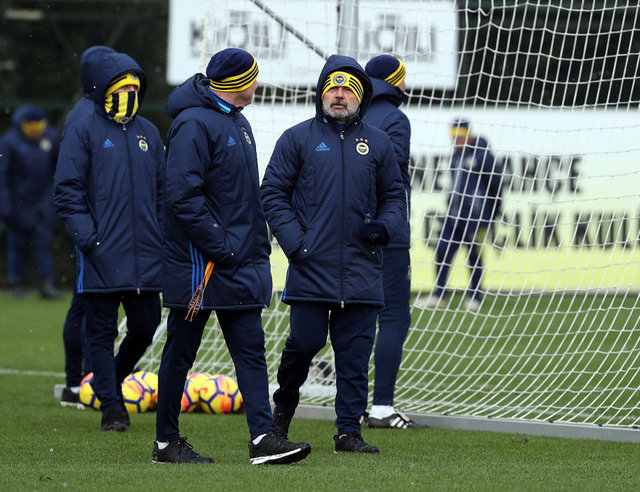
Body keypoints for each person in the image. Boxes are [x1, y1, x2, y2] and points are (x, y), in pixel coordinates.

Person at [154, 48, 311, 465]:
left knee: (251, 350)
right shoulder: (193, 123)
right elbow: (182, 197)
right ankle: (166, 443)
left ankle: (262, 438)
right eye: (252, 77)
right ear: (238, 83)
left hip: (236, 262)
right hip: (202, 266)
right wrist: (221, 245)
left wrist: (246, 246)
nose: (257, 84)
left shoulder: (237, 121)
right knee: (180, 353)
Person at [260, 54, 406, 453]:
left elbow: (395, 198)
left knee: (354, 356)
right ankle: (282, 414)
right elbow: (272, 193)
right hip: (311, 267)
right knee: (304, 345)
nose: (339, 95)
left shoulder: (378, 142)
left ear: (361, 96)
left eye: (347, 90)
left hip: (362, 270)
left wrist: (384, 227)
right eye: (332, 88)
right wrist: (296, 243)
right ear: (321, 93)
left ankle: (348, 432)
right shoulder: (296, 138)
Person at [54, 51, 163, 431]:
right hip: (101, 253)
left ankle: (110, 381)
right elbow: (67, 191)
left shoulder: (149, 132)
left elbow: (162, 193)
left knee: (146, 327)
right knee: (101, 332)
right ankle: (111, 407)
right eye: (121, 88)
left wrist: (159, 235)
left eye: (134, 88)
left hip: (146, 254)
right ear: (104, 91)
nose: (129, 93)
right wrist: (90, 240)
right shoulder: (83, 130)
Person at [361, 54, 424, 429]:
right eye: (402, 78)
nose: (405, 85)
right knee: (394, 317)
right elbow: (391, 178)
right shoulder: (395, 119)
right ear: (394, 81)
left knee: (355, 319)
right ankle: (382, 407)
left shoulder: (351, 113)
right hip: (388, 233)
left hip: (350, 232)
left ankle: (351, 404)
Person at [59, 45, 115, 408]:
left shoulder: (86, 110)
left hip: (97, 226)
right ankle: (80, 383)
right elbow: (71, 182)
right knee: (87, 305)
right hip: (93, 228)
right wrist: (89, 234)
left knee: (86, 304)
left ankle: (80, 382)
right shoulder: (87, 116)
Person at [421, 119, 503, 310]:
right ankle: (439, 294)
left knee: (474, 255)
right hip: (454, 215)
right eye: (454, 137)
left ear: (469, 135)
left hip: (475, 217)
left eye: (460, 137)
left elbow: (496, 185)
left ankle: (476, 295)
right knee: (442, 250)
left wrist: (492, 213)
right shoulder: (456, 156)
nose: (456, 141)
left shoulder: (483, 155)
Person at [0, 105, 60, 300]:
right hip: (18, 203)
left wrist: (54, 199)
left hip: (44, 202)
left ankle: (47, 284)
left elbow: (58, 170)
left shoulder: (50, 138)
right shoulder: (9, 142)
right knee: (18, 246)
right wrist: (5, 206)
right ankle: (18, 284)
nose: (36, 133)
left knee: (44, 245)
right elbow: (3, 178)